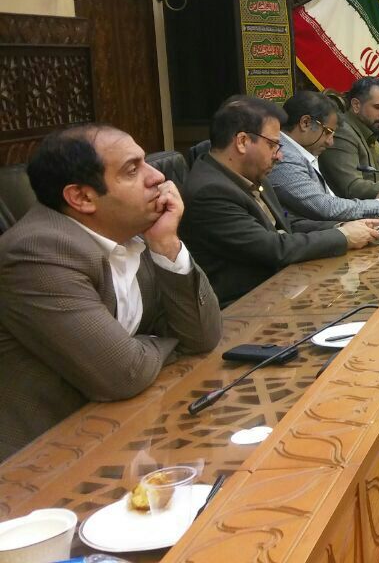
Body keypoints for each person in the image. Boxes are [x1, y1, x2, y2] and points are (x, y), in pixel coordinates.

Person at [0, 125, 222, 458]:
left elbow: (203, 336)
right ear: (82, 198)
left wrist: (166, 244)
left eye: (146, 163)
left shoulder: (133, 231)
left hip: (130, 428)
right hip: (46, 457)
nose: (157, 177)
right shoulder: (38, 252)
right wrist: (165, 342)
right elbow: (124, 374)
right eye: (132, 170)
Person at [182, 96, 379, 304]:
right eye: (272, 145)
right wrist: (343, 237)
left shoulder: (253, 175)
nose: (279, 156)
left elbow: (288, 224)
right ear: (242, 142)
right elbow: (273, 248)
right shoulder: (210, 191)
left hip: (282, 288)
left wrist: (342, 226)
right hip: (246, 307)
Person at [269, 91, 379, 222]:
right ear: (305, 123)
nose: (330, 142)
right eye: (327, 132)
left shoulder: (301, 153)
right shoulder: (284, 156)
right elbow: (326, 208)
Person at [319, 76, 379, 199]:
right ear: (356, 105)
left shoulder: (372, 132)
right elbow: (352, 188)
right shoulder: (342, 132)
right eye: (378, 107)